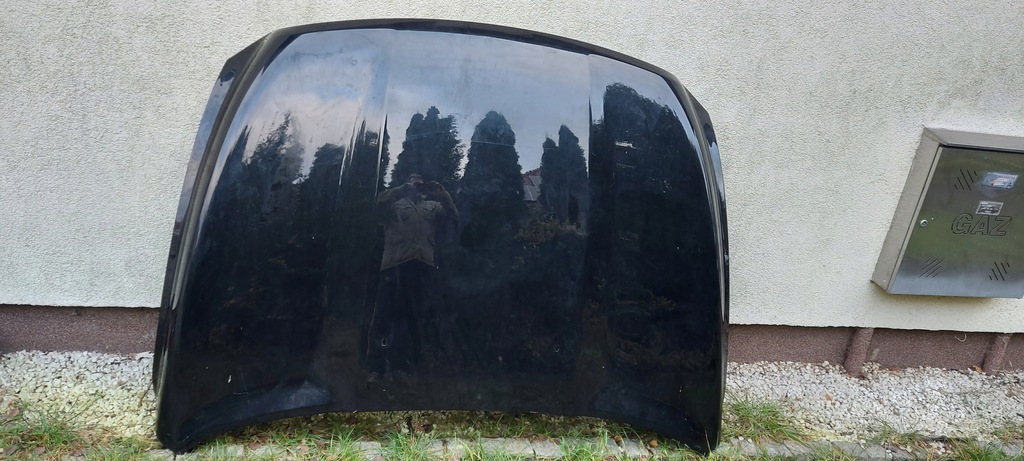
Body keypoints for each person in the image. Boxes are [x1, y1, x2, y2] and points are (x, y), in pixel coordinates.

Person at [365, 174, 457, 373]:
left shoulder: (432, 206)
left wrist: (441, 192)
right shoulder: (395, 203)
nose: (416, 184)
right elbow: (378, 205)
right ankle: (375, 364)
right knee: (384, 314)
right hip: (394, 266)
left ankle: (404, 364)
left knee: (413, 315)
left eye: (419, 182)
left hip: (423, 266)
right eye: (413, 181)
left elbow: (452, 218)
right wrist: (401, 189)